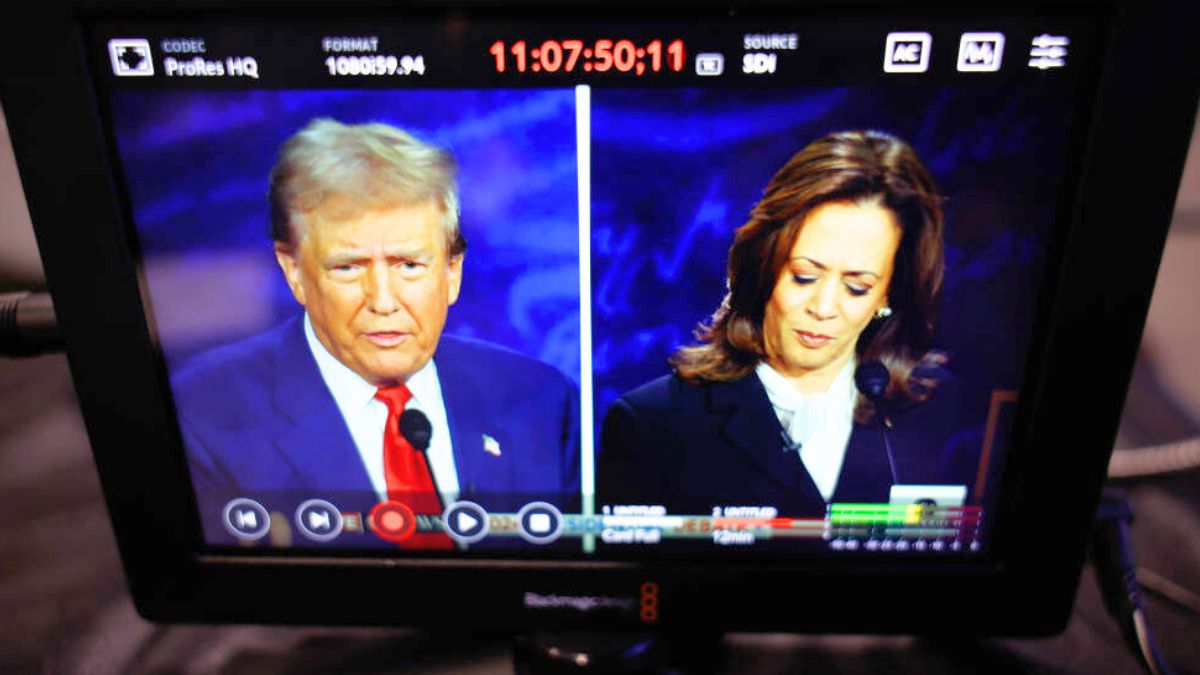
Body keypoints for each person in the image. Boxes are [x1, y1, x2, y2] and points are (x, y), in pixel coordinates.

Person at [173, 118, 579, 547]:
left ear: (452, 271)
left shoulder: (541, 401)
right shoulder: (204, 415)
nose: (383, 301)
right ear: (294, 271)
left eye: (409, 265)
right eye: (348, 268)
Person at [598, 130, 979, 519]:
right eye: (804, 277)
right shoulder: (652, 424)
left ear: (887, 294)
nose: (824, 308)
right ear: (764, 265)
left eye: (857, 286)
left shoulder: (944, 415)